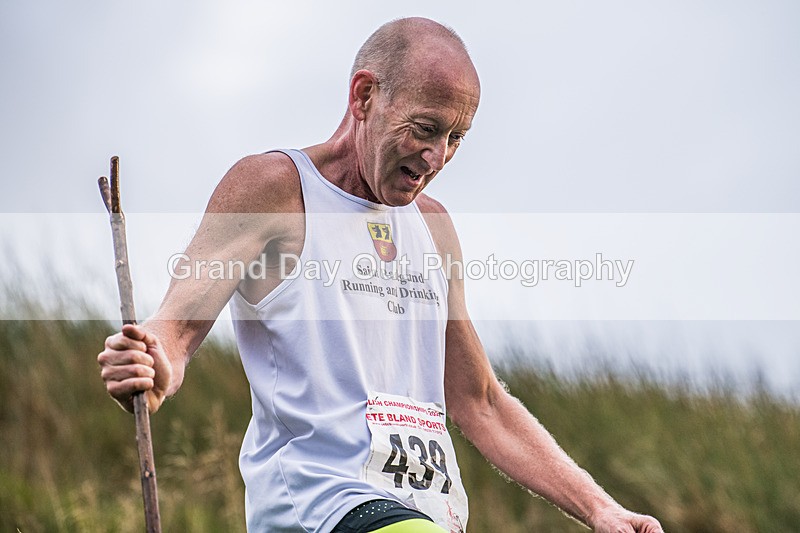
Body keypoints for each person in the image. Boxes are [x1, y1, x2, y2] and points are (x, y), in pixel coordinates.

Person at [98, 17, 664, 533]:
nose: (438, 156)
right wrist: (149, 366)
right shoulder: (274, 188)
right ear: (365, 96)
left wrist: (600, 508)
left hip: (424, 516)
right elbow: (177, 330)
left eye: (456, 137)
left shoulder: (434, 229)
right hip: (320, 508)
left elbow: (482, 401)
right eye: (425, 128)